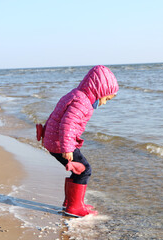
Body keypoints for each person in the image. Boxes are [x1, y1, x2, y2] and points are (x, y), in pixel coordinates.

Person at [41, 65, 118, 217]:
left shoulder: (77, 95)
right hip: (60, 143)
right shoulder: (83, 102)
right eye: (106, 98)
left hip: (55, 141)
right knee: (84, 170)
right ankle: (74, 207)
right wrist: (68, 148)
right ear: (99, 90)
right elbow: (67, 124)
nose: (104, 103)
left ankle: (71, 203)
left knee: (77, 171)